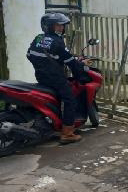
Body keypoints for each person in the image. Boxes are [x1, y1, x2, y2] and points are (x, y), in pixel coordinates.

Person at [27, 13, 88, 144]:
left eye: (62, 25)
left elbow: (29, 54)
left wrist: (42, 65)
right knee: (70, 100)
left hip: (41, 76)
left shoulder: (38, 38)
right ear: (49, 26)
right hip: (55, 79)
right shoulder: (58, 42)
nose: (61, 28)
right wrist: (80, 72)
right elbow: (71, 62)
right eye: (58, 25)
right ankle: (67, 133)